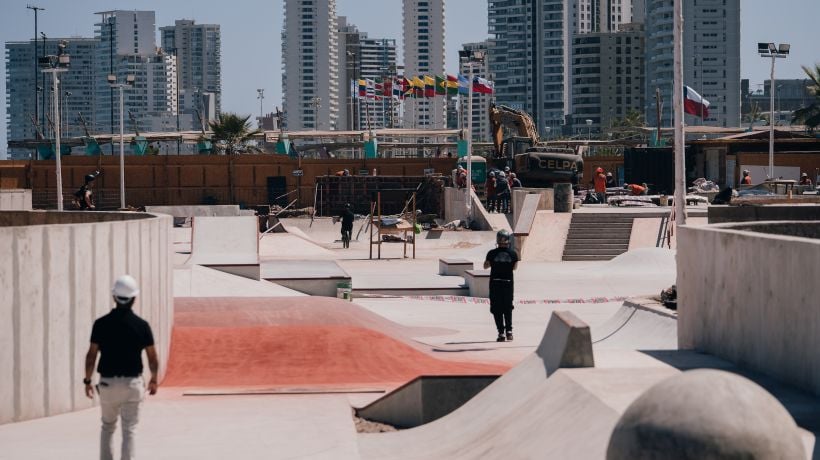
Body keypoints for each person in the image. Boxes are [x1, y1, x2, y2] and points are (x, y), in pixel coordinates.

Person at [84, 275, 158, 460]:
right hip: (132, 383)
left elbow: (92, 355)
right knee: (129, 429)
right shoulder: (142, 326)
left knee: (107, 426)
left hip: (108, 384)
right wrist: (154, 379)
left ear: (114, 297)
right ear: (134, 298)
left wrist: (87, 380)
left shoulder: (101, 324)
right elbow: (152, 357)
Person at [484, 230, 519, 342]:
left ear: (498, 240)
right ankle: (509, 331)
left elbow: (486, 266)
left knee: (496, 308)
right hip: (508, 283)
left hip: (495, 283)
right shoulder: (513, 254)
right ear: (508, 240)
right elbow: (514, 268)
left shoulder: (491, 253)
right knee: (507, 308)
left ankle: (501, 333)